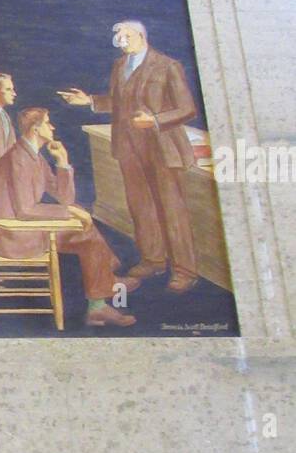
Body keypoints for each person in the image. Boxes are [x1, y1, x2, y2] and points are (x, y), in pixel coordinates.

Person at [57, 20, 199, 291]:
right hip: (129, 149)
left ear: (142, 36)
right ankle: (153, 260)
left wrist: (155, 120)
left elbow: (187, 108)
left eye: (126, 36)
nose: (121, 42)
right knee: (141, 208)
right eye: (118, 38)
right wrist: (89, 101)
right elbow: (119, 102)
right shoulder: (120, 66)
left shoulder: (168, 66)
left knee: (173, 210)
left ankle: (184, 270)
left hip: (163, 148)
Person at [0, 106, 138, 326]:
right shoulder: (18, 159)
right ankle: (102, 296)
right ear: (35, 129)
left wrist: (62, 162)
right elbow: (25, 210)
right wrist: (70, 212)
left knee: (82, 224)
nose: (53, 127)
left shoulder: (35, 157)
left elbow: (64, 198)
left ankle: (103, 292)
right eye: (48, 123)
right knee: (84, 230)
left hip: (24, 228)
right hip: (12, 234)